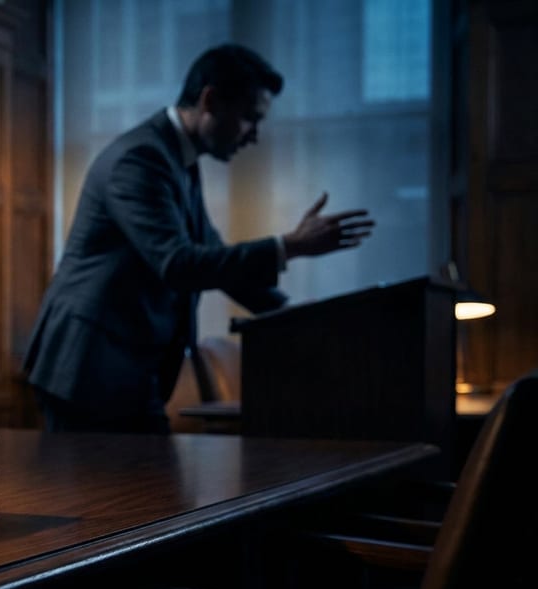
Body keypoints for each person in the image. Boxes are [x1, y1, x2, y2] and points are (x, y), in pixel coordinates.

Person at [23, 43, 374, 435]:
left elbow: (214, 260)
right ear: (210, 100)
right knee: (111, 496)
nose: (254, 135)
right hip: (89, 368)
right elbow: (178, 264)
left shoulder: (177, 159)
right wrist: (289, 245)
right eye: (248, 119)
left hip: (125, 371)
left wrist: (301, 318)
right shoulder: (139, 159)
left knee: (148, 492)